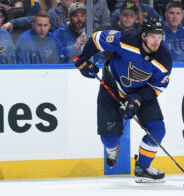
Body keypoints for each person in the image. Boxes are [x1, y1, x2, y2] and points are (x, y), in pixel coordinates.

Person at [74, 17, 172, 183]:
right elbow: (97, 39)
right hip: (111, 87)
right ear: (143, 35)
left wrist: (138, 98)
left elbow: (157, 86)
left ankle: (142, 168)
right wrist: (83, 58)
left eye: (159, 37)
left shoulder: (164, 59)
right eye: (152, 36)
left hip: (140, 93)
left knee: (157, 129)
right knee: (109, 139)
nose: (156, 41)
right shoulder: (126, 39)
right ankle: (113, 148)